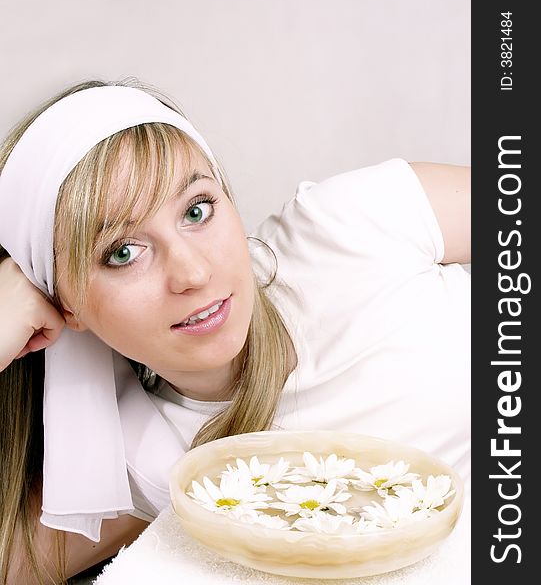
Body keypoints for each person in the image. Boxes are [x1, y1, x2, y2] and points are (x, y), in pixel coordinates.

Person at [0, 80, 470, 584]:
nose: (193, 274)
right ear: (65, 306)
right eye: (123, 252)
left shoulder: (349, 227)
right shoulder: (145, 461)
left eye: (197, 211)